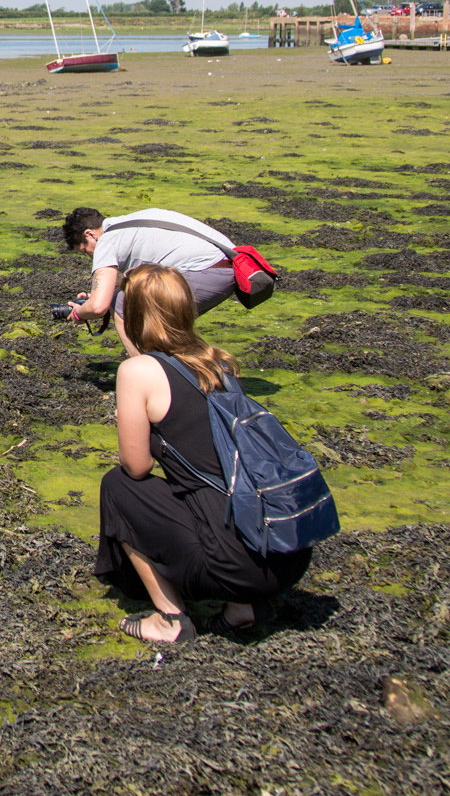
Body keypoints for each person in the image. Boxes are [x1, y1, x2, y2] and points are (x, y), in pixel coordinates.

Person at [94, 264, 311, 643]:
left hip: (234, 563)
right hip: (287, 554)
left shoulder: (138, 372)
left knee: (118, 486)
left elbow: (137, 466)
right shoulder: (218, 362)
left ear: (134, 316)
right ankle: (242, 607)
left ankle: (170, 619)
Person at [60, 206, 243, 355]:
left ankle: (148, 375)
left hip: (206, 272)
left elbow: (98, 307)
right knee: (142, 313)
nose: (91, 257)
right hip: (229, 269)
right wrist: (98, 296)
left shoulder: (106, 241)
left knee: (123, 304)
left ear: (90, 234)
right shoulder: (129, 224)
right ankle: (179, 372)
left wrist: (79, 313)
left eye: (85, 251)